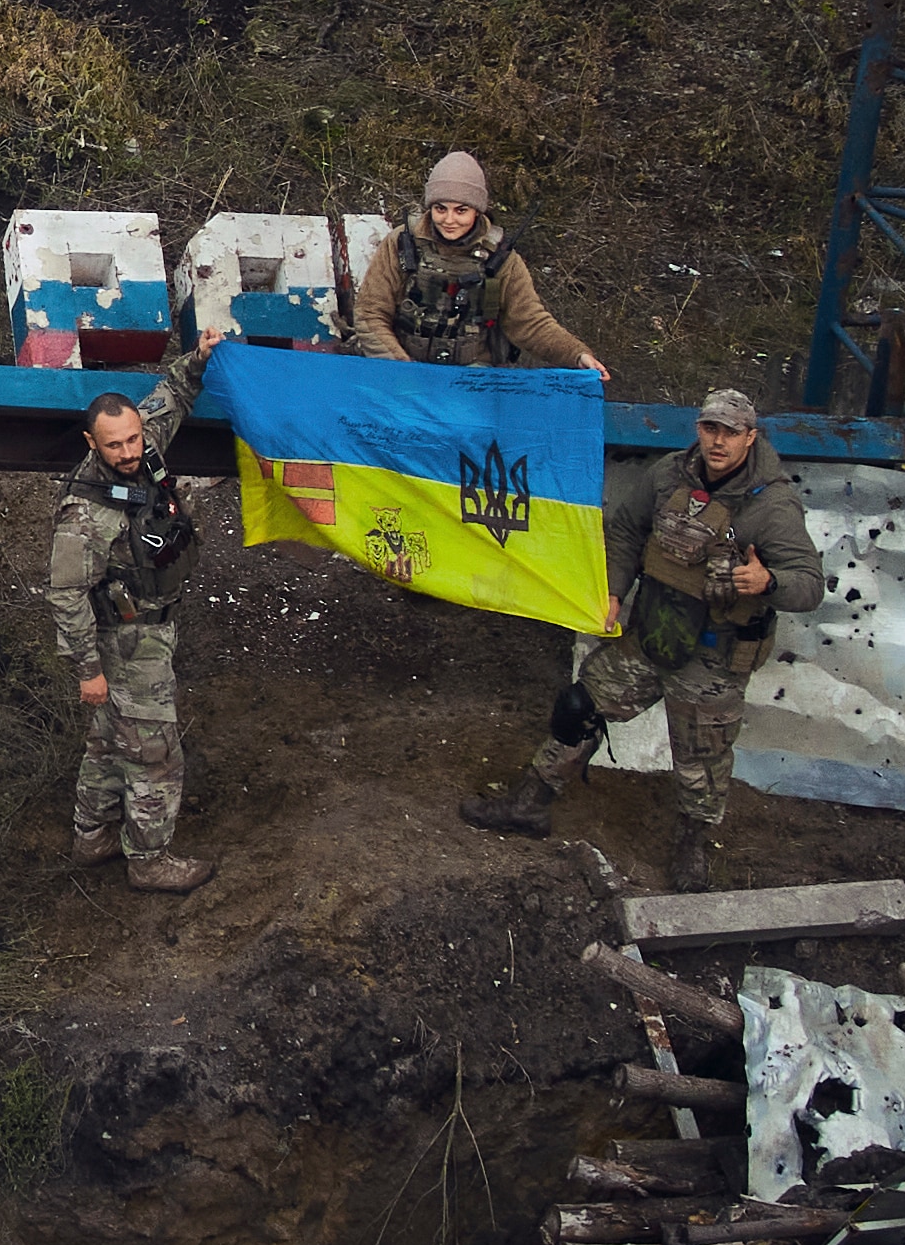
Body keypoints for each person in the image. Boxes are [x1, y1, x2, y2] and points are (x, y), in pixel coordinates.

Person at [460, 388, 823, 890]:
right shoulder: (669, 474)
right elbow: (627, 530)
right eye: (710, 429)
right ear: (698, 429)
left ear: (751, 437)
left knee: (702, 760)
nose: (718, 442)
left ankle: (692, 846)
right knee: (577, 707)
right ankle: (530, 804)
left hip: (712, 656)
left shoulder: (773, 506)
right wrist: (614, 590)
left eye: (731, 433)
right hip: (652, 633)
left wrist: (769, 583)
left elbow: (810, 584)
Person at [49, 335, 224, 893]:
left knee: (107, 741)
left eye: (132, 438)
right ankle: (150, 860)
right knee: (153, 752)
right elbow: (66, 594)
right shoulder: (86, 515)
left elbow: (173, 393)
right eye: (115, 446)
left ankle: (92, 835)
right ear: (91, 443)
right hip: (126, 641)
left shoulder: (144, 445)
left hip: (152, 624)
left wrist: (197, 358)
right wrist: (88, 672)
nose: (128, 452)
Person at [351, 152, 610, 379]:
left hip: (475, 377)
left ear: (478, 211)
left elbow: (530, 323)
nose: (449, 220)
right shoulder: (401, 244)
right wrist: (404, 370)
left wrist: (577, 354)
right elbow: (370, 313)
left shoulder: (502, 260)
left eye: (461, 210)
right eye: (440, 208)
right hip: (403, 370)